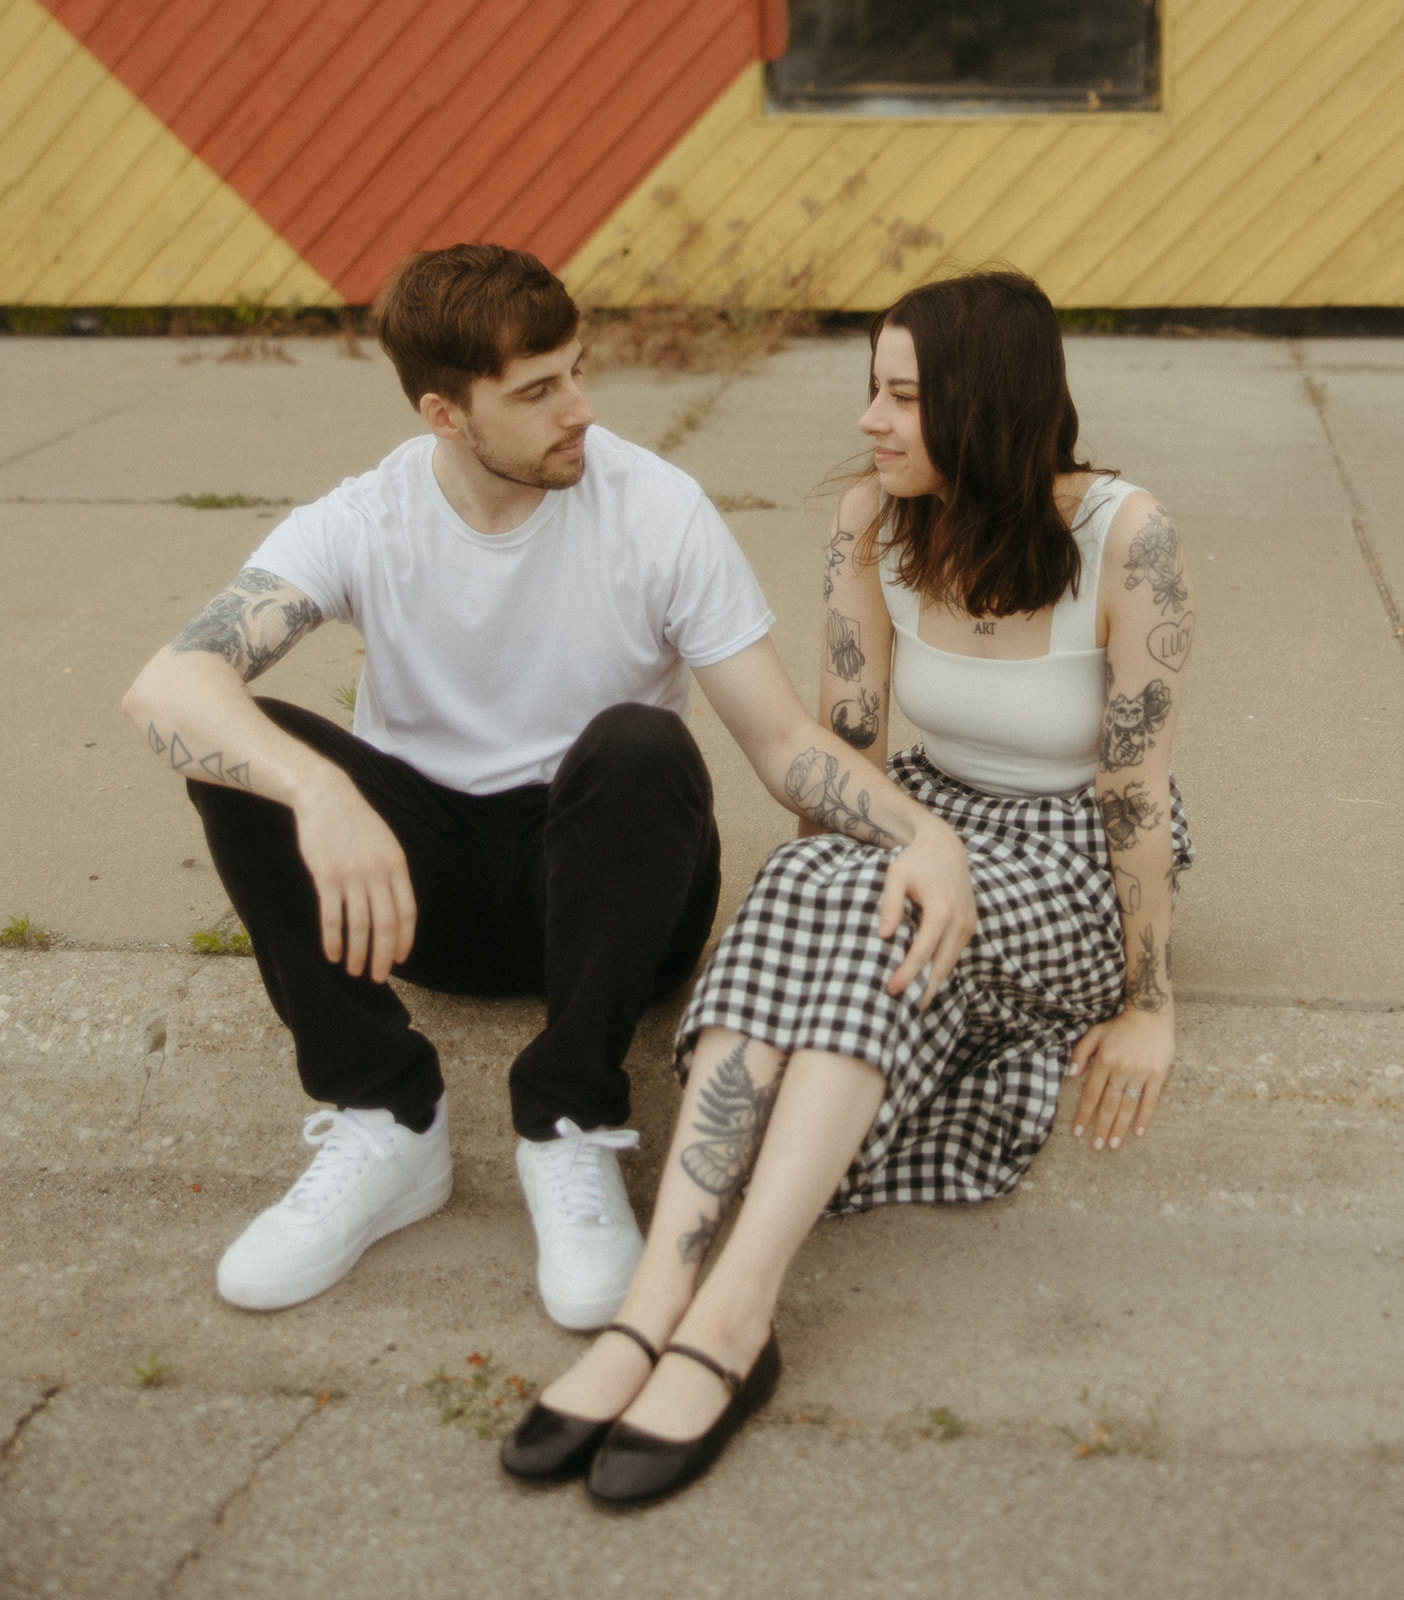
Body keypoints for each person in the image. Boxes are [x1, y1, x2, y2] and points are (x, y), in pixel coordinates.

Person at [120, 243, 974, 1334]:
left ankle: (569, 1121)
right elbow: (164, 689)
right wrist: (318, 792)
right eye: (535, 392)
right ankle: (385, 1117)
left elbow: (779, 739)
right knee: (244, 743)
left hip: (615, 886)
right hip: (425, 900)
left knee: (638, 742)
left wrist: (920, 832)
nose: (577, 408)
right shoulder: (366, 517)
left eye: (575, 370)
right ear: (445, 414)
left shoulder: (654, 508)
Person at [503, 269, 1195, 1507]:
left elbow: (1134, 789)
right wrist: (853, 572)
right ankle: (661, 1307)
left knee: (833, 888)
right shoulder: (878, 520)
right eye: (869, 390)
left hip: (1070, 857)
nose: (869, 422)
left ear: (985, 406)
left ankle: (726, 1316)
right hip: (930, 816)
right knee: (826, 871)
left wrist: (1149, 999)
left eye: (902, 397)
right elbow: (837, 780)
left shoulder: (1126, 538)